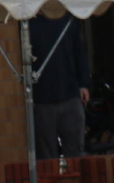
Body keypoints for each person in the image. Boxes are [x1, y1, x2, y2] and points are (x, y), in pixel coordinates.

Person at [29, 11, 91, 161]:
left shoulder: (68, 19)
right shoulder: (29, 23)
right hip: (41, 98)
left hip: (70, 93)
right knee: (46, 155)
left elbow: (79, 52)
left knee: (75, 150)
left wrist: (83, 84)